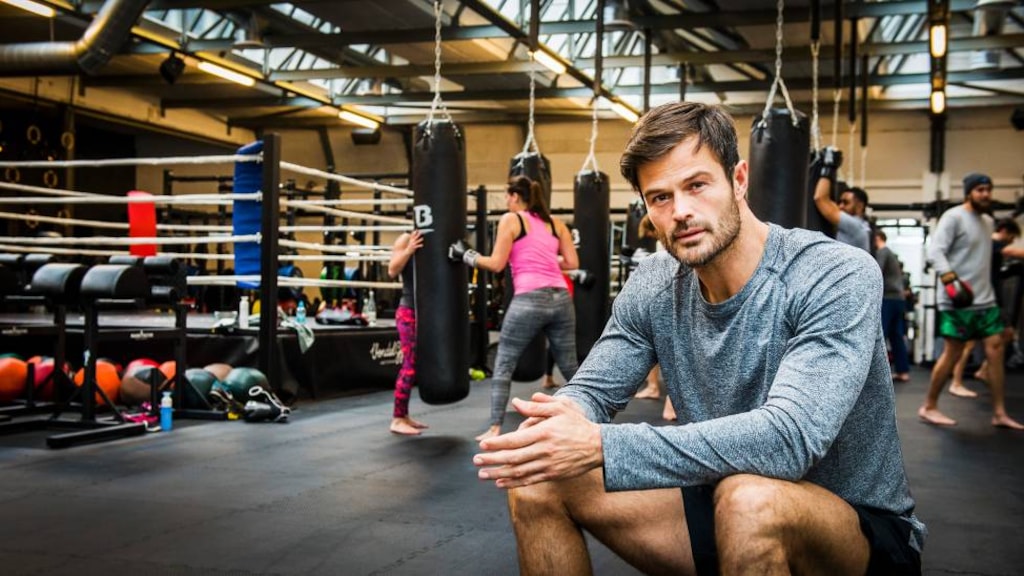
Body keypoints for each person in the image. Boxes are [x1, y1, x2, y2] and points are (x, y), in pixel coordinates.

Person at [472, 102, 925, 575]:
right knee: (538, 478)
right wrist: (561, 422)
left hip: (858, 532)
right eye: (660, 197)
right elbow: (591, 390)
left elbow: (790, 439)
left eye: (696, 185)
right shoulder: (653, 283)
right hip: (720, 497)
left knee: (750, 500)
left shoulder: (831, 273)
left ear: (739, 179)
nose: (681, 211)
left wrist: (600, 446)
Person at [449, 175, 580, 441]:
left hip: (530, 298)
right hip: (561, 299)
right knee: (569, 366)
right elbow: (572, 263)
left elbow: (496, 264)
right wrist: (548, 259)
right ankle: (590, 419)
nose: (507, 202)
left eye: (508, 197)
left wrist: (467, 255)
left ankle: (495, 427)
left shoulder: (512, 219)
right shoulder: (557, 224)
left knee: (504, 363)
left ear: (516, 197)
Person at [918, 173, 1024, 429]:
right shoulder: (953, 217)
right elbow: (935, 252)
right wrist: (951, 280)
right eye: (980, 190)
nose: (985, 194)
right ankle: (929, 406)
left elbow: (981, 254)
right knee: (953, 353)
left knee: (996, 350)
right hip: (958, 300)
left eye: (988, 189)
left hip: (984, 300)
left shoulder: (988, 221)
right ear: (968, 193)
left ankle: (999, 412)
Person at [949, 217, 1024, 397]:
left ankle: (982, 370)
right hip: (980, 299)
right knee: (967, 344)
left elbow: (997, 272)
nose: (1012, 240)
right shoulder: (992, 243)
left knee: (1005, 335)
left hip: (991, 298)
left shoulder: (993, 249)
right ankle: (956, 382)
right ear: (1005, 231)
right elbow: (1014, 252)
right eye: (1012, 236)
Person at [386, 229, 428, 435]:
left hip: (427, 313)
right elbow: (392, 270)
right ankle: (396, 419)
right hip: (408, 311)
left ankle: (404, 415)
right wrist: (409, 249)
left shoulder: (434, 238)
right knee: (409, 365)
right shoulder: (405, 238)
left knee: (416, 364)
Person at [813, 150, 872, 252]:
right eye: (840, 202)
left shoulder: (855, 225)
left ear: (860, 206)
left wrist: (828, 167)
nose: (840, 206)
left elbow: (820, 199)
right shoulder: (862, 226)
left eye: (846, 202)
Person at [875, 230, 912, 382]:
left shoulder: (883, 252)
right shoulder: (891, 253)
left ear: (877, 238)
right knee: (897, 335)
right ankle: (903, 372)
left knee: (880, 336)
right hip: (898, 299)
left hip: (889, 298)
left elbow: (875, 272)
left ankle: (877, 376)